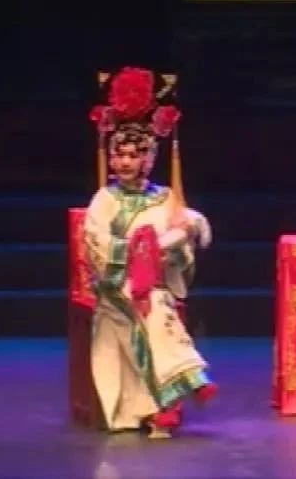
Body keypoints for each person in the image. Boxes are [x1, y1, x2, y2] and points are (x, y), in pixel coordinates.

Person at [83, 66, 217, 439]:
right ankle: (178, 388)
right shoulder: (104, 199)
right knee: (152, 308)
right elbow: (95, 243)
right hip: (115, 283)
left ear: (149, 159)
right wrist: (140, 248)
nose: (125, 161)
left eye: (134, 155)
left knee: (156, 304)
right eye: (119, 154)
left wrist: (182, 235)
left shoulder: (164, 197)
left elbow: (182, 233)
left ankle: (169, 400)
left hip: (153, 282)